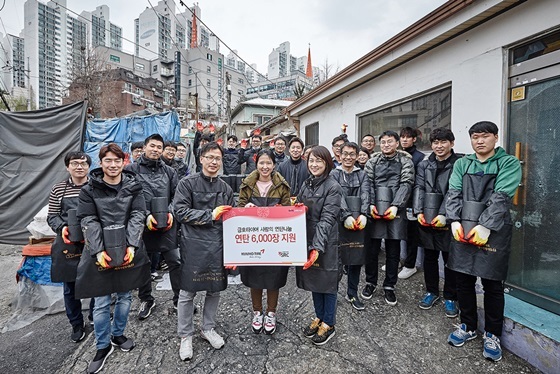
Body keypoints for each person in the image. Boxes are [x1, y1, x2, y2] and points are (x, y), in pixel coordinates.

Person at [445, 121, 521, 362]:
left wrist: (486, 225)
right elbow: (453, 192)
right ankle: (467, 325)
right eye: (475, 137)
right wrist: (454, 219)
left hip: (494, 230)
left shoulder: (508, 163)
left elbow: (501, 197)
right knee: (463, 278)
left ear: (495, 138)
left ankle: (492, 333)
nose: (480, 141)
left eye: (485, 136)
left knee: (493, 284)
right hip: (463, 229)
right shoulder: (462, 163)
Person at [76, 143, 149, 374]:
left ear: (123, 162)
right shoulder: (89, 190)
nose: (113, 165)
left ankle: (118, 334)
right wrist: (98, 250)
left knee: (126, 296)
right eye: (108, 160)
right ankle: (102, 345)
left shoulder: (133, 186)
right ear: (101, 163)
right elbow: (88, 220)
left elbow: (138, 214)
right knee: (101, 302)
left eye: (117, 160)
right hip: (100, 251)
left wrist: (132, 245)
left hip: (128, 248)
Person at [173, 142, 235, 361]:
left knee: (214, 288)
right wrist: (210, 215)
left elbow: (231, 220)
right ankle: (185, 335)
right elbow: (179, 212)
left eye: (217, 158)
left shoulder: (226, 188)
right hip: (193, 244)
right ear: (201, 159)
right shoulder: (186, 184)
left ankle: (207, 328)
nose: (213, 162)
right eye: (209, 157)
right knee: (187, 292)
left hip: (217, 245)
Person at [126, 134, 182, 319]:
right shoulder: (131, 170)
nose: (156, 150)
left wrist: (170, 212)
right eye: (153, 146)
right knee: (143, 263)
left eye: (159, 147)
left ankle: (179, 299)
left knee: (175, 261)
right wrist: (145, 215)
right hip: (142, 224)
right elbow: (129, 197)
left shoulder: (169, 171)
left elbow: (177, 196)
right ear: (144, 147)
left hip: (167, 223)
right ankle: (146, 299)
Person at [237, 149, 291, 335]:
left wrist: (282, 209)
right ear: (256, 163)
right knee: (255, 276)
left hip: (275, 240)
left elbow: (289, 211)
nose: (265, 167)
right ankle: (257, 311)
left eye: (269, 163)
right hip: (253, 239)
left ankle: (271, 312)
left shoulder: (282, 185)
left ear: (274, 165)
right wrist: (246, 208)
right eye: (262, 163)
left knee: (273, 277)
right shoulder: (247, 184)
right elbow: (239, 207)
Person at [361, 131, 414, 306]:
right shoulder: (373, 161)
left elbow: (406, 183)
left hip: (395, 210)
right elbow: (367, 183)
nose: (386, 145)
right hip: (375, 209)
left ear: (397, 143)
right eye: (383, 142)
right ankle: (370, 282)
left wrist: (396, 205)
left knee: (393, 251)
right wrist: (369, 205)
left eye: (389, 142)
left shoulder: (405, 160)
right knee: (372, 250)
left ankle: (390, 286)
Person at [413, 128, 460, 318]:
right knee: (429, 258)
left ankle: (451, 296)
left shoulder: (459, 164)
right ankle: (431, 291)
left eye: (443, 142)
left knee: (450, 260)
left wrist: (444, 214)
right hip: (427, 217)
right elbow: (419, 187)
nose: (439, 146)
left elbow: (456, 192)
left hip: (449, 219)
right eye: (435, 142)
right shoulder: (425, 165)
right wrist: (418, 211)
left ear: (452, 143)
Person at [297, 145, 342, 346]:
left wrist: (317, 246)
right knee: (315, 280)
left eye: (319, 161)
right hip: (308, 239)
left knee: (328, 282)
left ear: (327, 163)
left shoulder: (333, 187)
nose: (314, 165)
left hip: (327, 242)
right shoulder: (307, 184)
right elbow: (297, 207)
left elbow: (327, 219)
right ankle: (319, 317)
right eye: (311, 161)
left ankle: (329, 323)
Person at [47, 151, 93, 342]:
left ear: (89, 166)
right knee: (70, 286)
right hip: (68, 242)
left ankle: (95, 315)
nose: (79, 167)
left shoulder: (95, 187)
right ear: (68, 167)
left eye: (83, 163)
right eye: (75, 163)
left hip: (92, 241)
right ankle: (76, 323)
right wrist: (63, 227)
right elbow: (52, 216)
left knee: (96, 282)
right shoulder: (58, 190)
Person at [330, 142, 370, 311]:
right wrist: (345, 214)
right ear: (340, 155)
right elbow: (336, 195)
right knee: (337, 258)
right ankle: (332, 292)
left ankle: (352, 293)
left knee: (355, 258)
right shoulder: (333, 173)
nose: (348, 157)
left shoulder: (362, 174)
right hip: (339, 221)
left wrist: (363, 214)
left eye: (352, 154)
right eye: (345, 154)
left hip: (358, 222)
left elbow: (366, 193)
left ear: (357, 156)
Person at [398, 127, 425, 280]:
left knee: (411, 235)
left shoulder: (420, 157)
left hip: (411, 202)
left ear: (414, 139)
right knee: (397, 232)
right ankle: (397, 261)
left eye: (408, 137)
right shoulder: (398, 155)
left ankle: (410, 265)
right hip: (398, 202)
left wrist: (416, 205)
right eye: (402, 137)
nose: (405, 140)